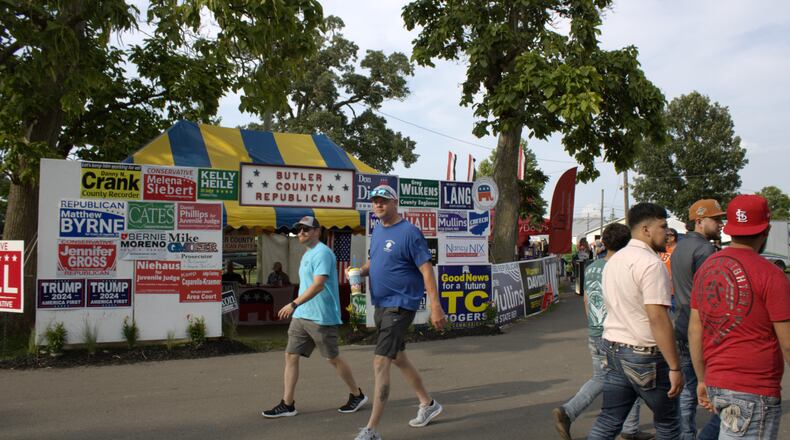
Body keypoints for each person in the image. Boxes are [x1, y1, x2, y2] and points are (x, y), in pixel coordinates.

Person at [689, 194, 790, 440]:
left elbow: (695, 328)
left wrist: (702, 379)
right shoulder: (772, 275)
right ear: (765, 230)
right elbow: (787, 342)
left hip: (717, 383)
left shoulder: (707, 268)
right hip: (753, 389)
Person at [353, 185, 447, 440]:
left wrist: (435, 306)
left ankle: (371, 430)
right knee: (398, 358)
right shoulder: (378, 231)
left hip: (401, 304)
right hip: (381, 304)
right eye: (375, 201)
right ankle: (428, 405)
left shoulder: (409, 233)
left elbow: (427, 270)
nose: (378, 204)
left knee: (380, 361)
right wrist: (360, 271)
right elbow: (375, 262)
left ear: (395, 202)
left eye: (383, 200)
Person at [588, 203, 683, 440]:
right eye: (662, 226)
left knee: (609, 420)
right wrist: (674, 366)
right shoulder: (651, 264)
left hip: (614, 347)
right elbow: (658, 317)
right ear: (646, 229)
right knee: (668, 425)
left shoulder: (614, 261)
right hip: (645, 354)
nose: (667, 232)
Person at [553, 223, 654, 440]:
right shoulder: (622, 266)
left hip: (596, 329)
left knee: (603, 377)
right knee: (631, 378)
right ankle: (627, 429)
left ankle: (570, 411)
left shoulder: (592, 267)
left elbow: (588, 298)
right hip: (619, 332)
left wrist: (592, 323)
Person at [262, 216, 367, 418]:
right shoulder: (307, 254)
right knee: (291, 356)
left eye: (306, 229)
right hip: (302, 315)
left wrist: (293, 303)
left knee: (332, 358)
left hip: (321, 317)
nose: (301, 233)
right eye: (298, 230)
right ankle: (288, 403)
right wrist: (298, 307)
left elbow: (318, 284)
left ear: (317, 231)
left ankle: (357, 394)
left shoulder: (323, 253)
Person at [670, 199, 725, 440]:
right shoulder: (705, 250)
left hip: (680, 322)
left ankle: (685, 434)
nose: (721, 223)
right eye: (716, 219)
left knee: (688, 391)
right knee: (711, 389)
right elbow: (710, 295)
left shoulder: (679, 246)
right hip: (700, 327)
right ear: (700, 221)